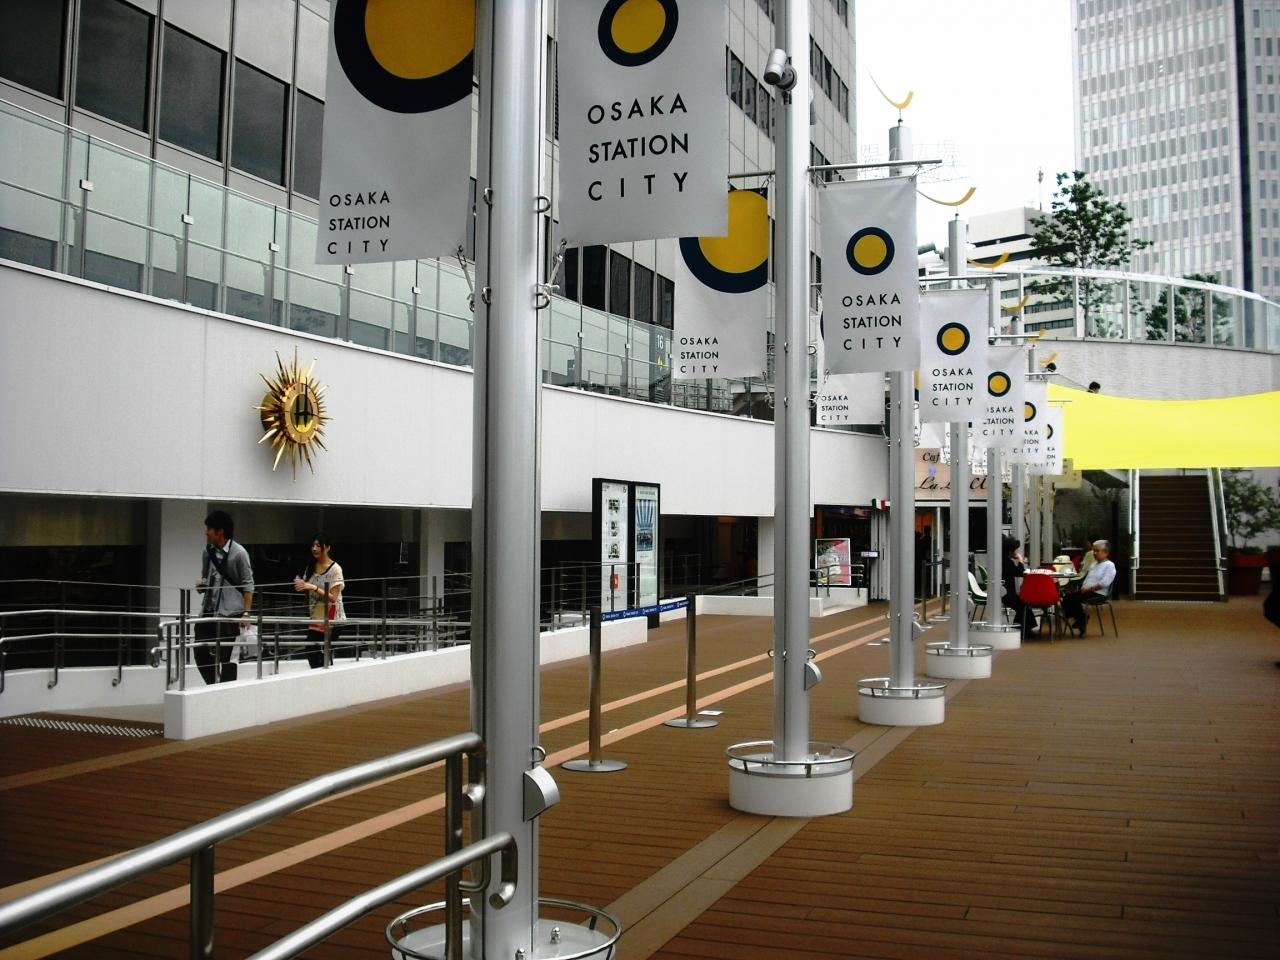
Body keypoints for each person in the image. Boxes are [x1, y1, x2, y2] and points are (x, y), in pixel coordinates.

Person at [195, 510, 253, 685]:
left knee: (228, 659)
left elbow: (248, 584)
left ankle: (225, 692)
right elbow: (205, 577)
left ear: (220, 531)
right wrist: (202, 586)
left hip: (231, 614)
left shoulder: (239, 553)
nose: (206, 532)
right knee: (200, 651)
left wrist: (246, 613)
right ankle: (213, 686)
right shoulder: (208, 552)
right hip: (209, 612)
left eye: (209, 529)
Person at [295, 532, 345, 669]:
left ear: (327, 547)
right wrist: (300, 584)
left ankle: (323, 675)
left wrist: (314, 587)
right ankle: (321, 675)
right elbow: (306, 587)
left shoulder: (335, 569)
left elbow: (333, 598)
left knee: (317, 649)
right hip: (317, 614)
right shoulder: (310, 566)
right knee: (312, 649)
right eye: (313, 545)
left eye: (318, 545)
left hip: (333, 616)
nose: (314, 548)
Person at [1062, 539, 1117, 635]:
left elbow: (1105, 583)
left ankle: (1081, 619)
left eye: (1097, 551)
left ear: (1106, 552)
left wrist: (1090, 588)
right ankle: (1081, 618)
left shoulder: (1109, 565)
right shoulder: (1094, 564)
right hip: (1087, 591)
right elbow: (1086, 578)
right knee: (1066, 598)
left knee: (1072, 599)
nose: (1094, 553)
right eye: (1093, 551)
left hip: (1098, 592)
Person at [1000, 535, 1029, 632]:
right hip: (1007, 594)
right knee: (1023, 605)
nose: (1016, 552)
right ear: (1010, 551)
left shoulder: (1002, 560)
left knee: (1024, 604)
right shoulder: (1007, 562)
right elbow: (1020, 573)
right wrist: (1020, 560)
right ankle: (1017, 629)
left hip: (1005, 592)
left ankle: (1027, 630)